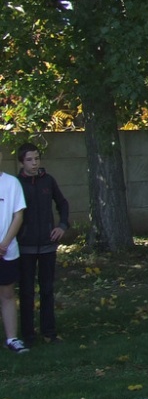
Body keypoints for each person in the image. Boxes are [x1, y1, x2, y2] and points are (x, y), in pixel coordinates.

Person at [16, 142, 70, 345]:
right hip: (25, 247)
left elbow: (62, 203)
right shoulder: (16, 184)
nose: (34, 163)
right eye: (29, 159)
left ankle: (49, 332)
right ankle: (28, 335)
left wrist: (62, 226)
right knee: (26, 292)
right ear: (22, 162)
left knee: (47, 289)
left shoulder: (48, 180)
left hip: (47, 245)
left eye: (37, 158)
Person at [1, 148, 27, 354]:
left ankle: (12, 338)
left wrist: (4, 244)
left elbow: (18, 215)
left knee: (7, 293)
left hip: (7, 251)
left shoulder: (12, 183)